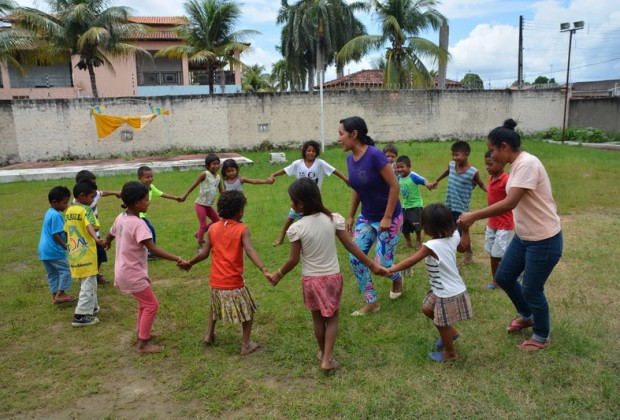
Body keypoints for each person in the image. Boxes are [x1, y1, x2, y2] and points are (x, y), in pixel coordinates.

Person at [459, 119, 562, 352]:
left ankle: (541, 335)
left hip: (544, 239)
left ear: (504, 146)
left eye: (493, 150)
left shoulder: (526, 164)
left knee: (531, 289)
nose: (491, 155)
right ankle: (527, 315)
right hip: (524, 236)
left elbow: (510, 202)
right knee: (504, 277)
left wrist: (474, 215)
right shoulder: (516, 164)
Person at [268, 179, 382, 370]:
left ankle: (323, 353)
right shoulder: (333, 219)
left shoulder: (296, 228)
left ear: (301, 204)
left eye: (292, 200)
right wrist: (370, 264)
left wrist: (278, 275)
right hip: (332, 279)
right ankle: (327, 359)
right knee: (333, 318)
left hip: (310, 281)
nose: (291, 204)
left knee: (317, 319)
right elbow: (350, 245)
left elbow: (292, 260)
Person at [179, 190, 268, 356]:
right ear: (240, 210)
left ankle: (209, 335)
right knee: (248, 311)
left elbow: (204, 253)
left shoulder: (212, 228)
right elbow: (249, 250)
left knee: (215, 305)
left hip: (215, 281)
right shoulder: (242, 229)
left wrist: (189, 263)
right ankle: (245, 345)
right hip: (233, 282)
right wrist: (264, 269)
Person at [381, 203, 472, 362]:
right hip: (446, 289)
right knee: (427, 308)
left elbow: (410, 261)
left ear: (428, 227)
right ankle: (452, 333)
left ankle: (450, 354)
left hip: (446, 292)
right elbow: (464, 247)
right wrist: (466, 230)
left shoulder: (431, 246)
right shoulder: (454, 236)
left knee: (441, 323)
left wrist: (390, 269)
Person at [105, 181, 189, 353]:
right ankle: (142, 344)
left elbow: (111, 233)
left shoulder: (121, 218)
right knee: (151, 305)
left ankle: (142, 333)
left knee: (144, 304)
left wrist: (106, 242)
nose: (148, 202)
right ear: (137, 203)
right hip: (132, 273)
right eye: (145, 199)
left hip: (124, 271)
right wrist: (177, 258)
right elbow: (153, 249)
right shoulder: (138, 224)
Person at [338, 116, 403, 315]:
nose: (339, 138)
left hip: (390, 217)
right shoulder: (350, 158)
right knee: (355, 258)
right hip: (366, 217)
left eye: (341, 134)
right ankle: (372, 302)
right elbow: (357, 188)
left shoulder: (375, 155)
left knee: (383, 263)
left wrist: (387, 217)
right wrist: (351, 215)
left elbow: (394, 185)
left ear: (354, 134)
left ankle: (397, 277)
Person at [269, 140, 349, 247]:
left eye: (313, 151)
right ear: (304, 151)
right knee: (291, 218)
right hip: (299, 198)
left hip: (314, 199)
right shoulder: (298, 164)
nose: (311, 153)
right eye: (308, 151)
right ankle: (282, 237)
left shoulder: (320, 163)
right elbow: (285, 170)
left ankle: (331, 232)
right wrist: (273, 175)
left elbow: (334, 170)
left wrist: (345, 179)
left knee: (318, 217)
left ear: (316, 153)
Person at [432, 140, 486, 264]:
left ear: (466, 154)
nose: (454, 157)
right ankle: (448, 251)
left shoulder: (473, 172)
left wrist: (491, 192)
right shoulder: (452, 165)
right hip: (449, 205)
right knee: (448, 229)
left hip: (462, 208)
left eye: (457, 155)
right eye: (453, 155)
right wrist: (437, 180)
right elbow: (447, 171)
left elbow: (481, 184)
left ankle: (468, 252)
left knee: (463, 232)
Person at [66, 180, 106, 327]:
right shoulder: (86, 210)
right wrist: (97, 240)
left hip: (75, 253)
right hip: (87, 253)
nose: (92, 201)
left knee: (86, 281)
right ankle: (80, 316)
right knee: (89, 282)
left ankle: (92, 307)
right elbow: (90, 226)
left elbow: (67, 231)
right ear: (82, 196)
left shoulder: (70, 210)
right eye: (91, 197)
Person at [74, 170, 120, 285]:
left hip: (96, 235)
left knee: (100, 254)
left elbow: (102, 193)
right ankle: (86, 277)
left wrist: (115, 192)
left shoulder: (94, 194)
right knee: (87, 257)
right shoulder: (77, 203)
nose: (94, 188)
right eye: (92, 185)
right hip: (85, 237)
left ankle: (95, 273)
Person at [482, 151, 514, 289]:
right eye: (486, 165)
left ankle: (512, 274)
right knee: (492, 253)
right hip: (492, 223)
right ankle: (495, 279)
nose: (487, 167)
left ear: (501, 163)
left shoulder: (507, 180)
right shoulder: (491, 179)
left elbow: (512, 200)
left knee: (500, 254)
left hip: (504, 224)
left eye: (490, 164)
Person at [38, 186, 76, 304]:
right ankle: (61, 294)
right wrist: (66, 246)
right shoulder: (56, 215)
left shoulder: (49, 212)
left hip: (44, 250)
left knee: (53, 273)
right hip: (54, 250)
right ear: (55, 202)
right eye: (64, 203)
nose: (66, 206)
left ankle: (55, 296)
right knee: (65, 270)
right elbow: (56, 234)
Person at [180, 154, 223, 252]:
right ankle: (199, 246)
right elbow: (193, 185)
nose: (216, 166)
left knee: (217, 221)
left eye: (217, 164)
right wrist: (184, 196)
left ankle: (198, 233)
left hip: (208, 206)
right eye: (213, 164)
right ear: (207, 165)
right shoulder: (205, 174)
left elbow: (221, 191)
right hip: (200, 204)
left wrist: (226, 200)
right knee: (202, 225)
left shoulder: (218, 177)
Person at [137, 165, 182, 258]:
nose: (150, 179)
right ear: (140, 178)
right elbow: (127, 195)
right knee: (150, 230)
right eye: (147, 177)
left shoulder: (151, 187)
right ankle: (152, 252)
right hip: (138, 215)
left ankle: (147, 251)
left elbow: (162, 194)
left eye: (151, 176)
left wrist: (175, 197)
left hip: (142, 215)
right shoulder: (138, 188)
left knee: (146, 231)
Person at [395, 155, 434, 249]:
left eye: (402, 167)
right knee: (403, 226)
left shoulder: (413, 176)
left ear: (409, 166)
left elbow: (423, 180)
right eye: (398, 167)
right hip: (404, 206)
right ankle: (408, 241)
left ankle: (418, 239)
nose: (400, 169)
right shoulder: (398, 177)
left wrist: (428, 184)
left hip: (416, 205)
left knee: (417, 225)